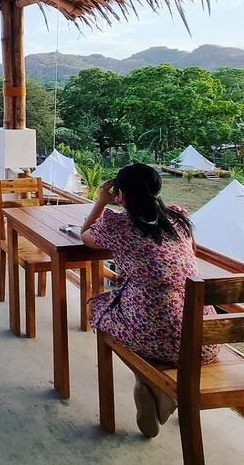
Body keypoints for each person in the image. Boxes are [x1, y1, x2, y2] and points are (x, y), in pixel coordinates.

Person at [80, 162, 219, 438]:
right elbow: (187, 254)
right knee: (137, 311)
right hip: (204, 339)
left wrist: (99, 202)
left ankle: (149, 382)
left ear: (120, 195)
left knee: (97, 309)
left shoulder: (118, 225)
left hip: (156, 334)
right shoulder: (179, 220)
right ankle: (151, 386)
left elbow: (85, 236)